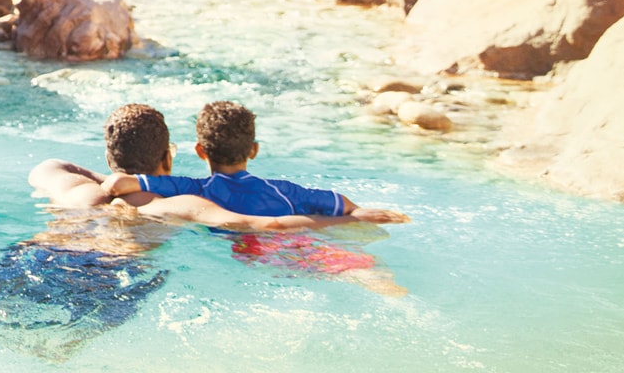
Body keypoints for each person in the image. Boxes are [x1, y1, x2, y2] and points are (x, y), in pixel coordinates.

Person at [0, 104, 352, 358]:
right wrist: (349, 220)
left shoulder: (72, 190)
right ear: (168, 157)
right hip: (105, 274)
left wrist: (112, 179)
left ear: (108, 157)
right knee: (57, 353)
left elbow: (52, 164)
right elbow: (262, 226)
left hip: (37, 255)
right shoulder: (176, 204)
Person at [97, 100, 410, 296]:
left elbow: (119, 184)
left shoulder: (193, 189)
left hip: (250, 247)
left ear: (200, 151)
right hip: (299, 240)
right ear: (254, 150)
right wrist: (358, 213)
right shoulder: (284, 190)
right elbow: (339, 203)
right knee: (354, 266)